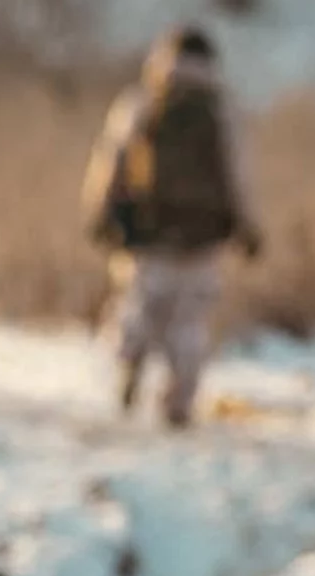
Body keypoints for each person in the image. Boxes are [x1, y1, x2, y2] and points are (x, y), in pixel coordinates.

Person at [81, 24, 263, 429]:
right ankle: (179, 402)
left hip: (150, 229)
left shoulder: (143, 101)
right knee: (191, 321)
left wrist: (100, 209)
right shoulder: (221, 108)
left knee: (139, 306)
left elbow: (112, 158)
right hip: (204, 236)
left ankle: (128, 364)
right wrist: (248, 225)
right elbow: (239, 174)